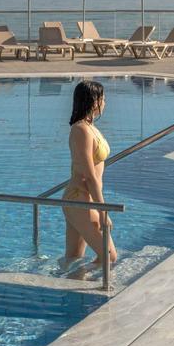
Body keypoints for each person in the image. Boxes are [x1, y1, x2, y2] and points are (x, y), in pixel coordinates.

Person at [61, 80, 117, 266]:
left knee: (73, 258)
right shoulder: (80, 131)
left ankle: (70, 288)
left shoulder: (89, 127)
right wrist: (103, 213)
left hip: (85, 199)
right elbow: (90, 176)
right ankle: (90, 289)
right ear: (94, 101)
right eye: (103, 98)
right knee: (108, 256)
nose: (105, 102)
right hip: (79, 199)